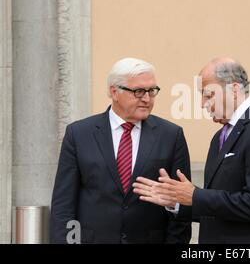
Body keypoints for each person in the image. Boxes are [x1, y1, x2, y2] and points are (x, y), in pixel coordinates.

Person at [133, 58, 250, 244]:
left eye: (208, 95)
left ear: (233, 90)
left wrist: (195, 195)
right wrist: (176, 201)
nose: (202, 104)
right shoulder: (220, 137)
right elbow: (217, 208)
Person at [50, 57, 191, 244]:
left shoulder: (171, 135)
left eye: (152, 91)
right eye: (139, 91)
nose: (147, 99)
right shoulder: (79, 134)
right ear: (114, 91)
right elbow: (64, 204)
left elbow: (181, 206)